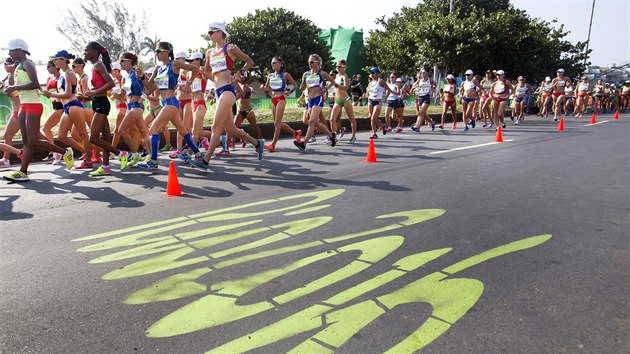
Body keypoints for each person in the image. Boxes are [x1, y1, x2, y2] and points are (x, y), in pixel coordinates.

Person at [2, 39, 73, 182]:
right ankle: (23, 172)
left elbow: (34, 84)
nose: (9, 53)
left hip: (33, 105)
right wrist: (10, 89)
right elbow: (20, 89)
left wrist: (15, 87)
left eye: (11, 50)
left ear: (20, 51)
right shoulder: (18, 67)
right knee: (26, 141)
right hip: (23, 106)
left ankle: (65, 151)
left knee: (33, 140)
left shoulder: (28, 64)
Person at [197, 22, 264, 167]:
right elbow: (209, 75)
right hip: (218, 91)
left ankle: (205, 160)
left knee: (216, 127)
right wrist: (203, 72)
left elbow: (249, 61)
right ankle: (257, 143)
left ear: (220, 32)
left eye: (211, 32)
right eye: (209, 33)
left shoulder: (231, 48)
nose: (209, 35)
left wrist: (239, 72)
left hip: (228, 90)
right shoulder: (209, 52)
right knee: (231, 129)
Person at [137, 41, 203, 169]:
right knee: (183, 130)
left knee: (153, 129)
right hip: (167, 103)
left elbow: (195, 69)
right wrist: (141, 77)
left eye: (158, 51)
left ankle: (153, 161)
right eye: (155, 51)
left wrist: (189, 82)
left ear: (167, 52)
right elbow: (149, 86)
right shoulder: (157, 68)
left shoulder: (174, 64)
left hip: (172, 102)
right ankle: (198, 154)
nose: (156, 54)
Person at [82, 41, 129, 176]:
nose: (85, 53)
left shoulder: (99, 65)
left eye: (87, 50)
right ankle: (106, 166)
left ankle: (121, 153)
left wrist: (94, 93)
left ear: (95, 52)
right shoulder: (93, 67)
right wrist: (87, 96)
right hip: (97, 101)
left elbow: (110, 83)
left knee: (93, 138)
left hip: (102, 103)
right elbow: (98, 87)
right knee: (106, 137)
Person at [43, 50, 92, 169]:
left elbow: (68, 94)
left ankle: (88, 160)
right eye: (54, 60)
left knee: (83, 134)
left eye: (56, 59)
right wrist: (57, 98)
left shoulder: (69, 73)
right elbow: (66, 94)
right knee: (62, 136)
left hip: (74, 106)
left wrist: (52, 95)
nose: (55, 62)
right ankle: (86, 152)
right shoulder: (63, 75)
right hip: (67, 107)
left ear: (64, 60)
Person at [293, 54, 338, 150]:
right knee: (316, 123)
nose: (310, 63)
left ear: (318, 63)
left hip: (318, 98)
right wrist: (302, 86)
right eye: (309, 62)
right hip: (309, 99)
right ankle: (331, 135)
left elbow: (333, 82)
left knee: (312, 121)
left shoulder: (322, 73)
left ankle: (303, 144)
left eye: (312, 61)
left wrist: (326, 88)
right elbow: (303, 86)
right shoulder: (306, 74)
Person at [116, 51, 151, 167]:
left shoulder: (137, 72)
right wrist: (109, 91)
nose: (120, 63)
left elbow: (151, 86)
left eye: (122, 60)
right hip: (129, 106)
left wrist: (143, 97)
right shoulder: (124, 77)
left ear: (129, 61)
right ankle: (151, 157)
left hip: (137, 106)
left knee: (121, 130)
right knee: (143, 132)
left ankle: (135, 153)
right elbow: (121, 96)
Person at [262, 56, 301, 152]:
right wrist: (263, 87)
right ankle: (295, 133)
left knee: (277, 124)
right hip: (273, 99)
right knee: (276, 123)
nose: (273, 65)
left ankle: (273, 145)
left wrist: (290, 92)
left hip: (281, 99)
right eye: (272, 63)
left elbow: (295, 85)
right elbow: (267, 88)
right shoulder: (270, 76)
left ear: (280, 64)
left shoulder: (285, 75)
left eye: (275, 62)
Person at [40, 60, 64, 164]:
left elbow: (64, 92)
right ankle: (52, 152)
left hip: (62, 106)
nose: (47, 68)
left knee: (46, 128)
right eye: (47, 66)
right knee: (74, 133)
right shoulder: (49, 78)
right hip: (55, 106)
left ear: (55, 66)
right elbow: (47, 93)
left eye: (49, 66)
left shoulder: (62, 77)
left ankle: (56, 152)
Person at [0, 57, 21, 167]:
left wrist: (3, 88)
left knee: (7, 135)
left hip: (19, 111)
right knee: (7, 136)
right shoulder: (9, 76)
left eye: (5, 64)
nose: (4, 66)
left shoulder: (14, 76)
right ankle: (5, 159)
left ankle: (58, 151)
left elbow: (11, 93)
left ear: (11, 65)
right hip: (16, 111)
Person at [330, 60, 358, 142]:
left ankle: (353, 136)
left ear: (344, 67)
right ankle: (334, 136)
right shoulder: (337, 76)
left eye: (339, 66)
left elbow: (346, 87)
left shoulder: (344, 76)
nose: (338, 68)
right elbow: (332, 83)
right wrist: (325, 89)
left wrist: (337, 85)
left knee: (351, 118)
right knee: (332, 119)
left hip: (345, 100)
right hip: (338, 100)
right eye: (337, 66)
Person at [366, 66, 393, 139]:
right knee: (372, 117)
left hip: (378, 101)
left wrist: (385, 97)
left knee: (373, 119)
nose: (371, 74)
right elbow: (367, 92)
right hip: (370, 101)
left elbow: (389, 90)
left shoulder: (381, 81)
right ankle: (382, 126)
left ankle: (374, 133)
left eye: (373, 73)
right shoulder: (370, 83)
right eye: (370, 73)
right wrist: (366, 94)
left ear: (377, 73)